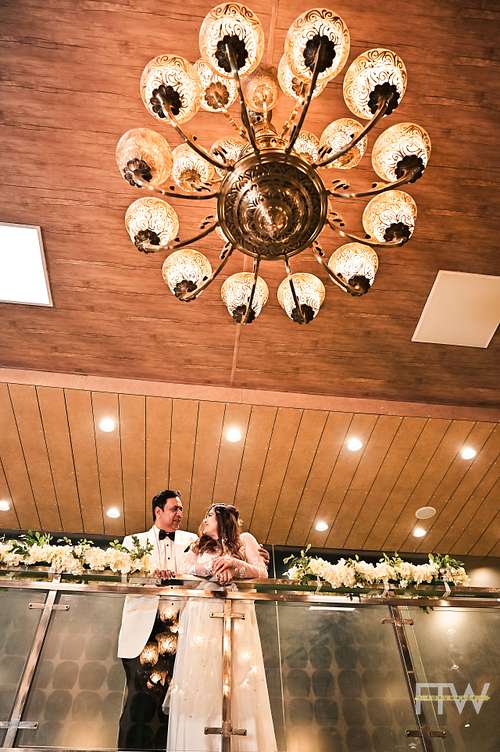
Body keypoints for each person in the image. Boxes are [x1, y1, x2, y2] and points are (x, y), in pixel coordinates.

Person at [165, 503, 277, 752]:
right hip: (201, 616)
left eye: (209, 516)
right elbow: (184, 570)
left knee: (239, 677)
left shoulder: (245, 540)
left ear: (223, 519)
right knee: (201, 680)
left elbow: (261, 572)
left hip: (237, 615)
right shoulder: (198, 545)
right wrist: (215, 568)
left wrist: (234, 564)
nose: (204, 520)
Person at [117, 489, 197, 750]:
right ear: (158, 511)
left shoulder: (193, 540)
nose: (180, 514)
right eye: (174, 508)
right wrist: (151, 575)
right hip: (144, 629)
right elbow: (125, 579)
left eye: (181, 509)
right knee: (138, 698)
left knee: (174, 700)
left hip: (180, 630)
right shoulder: (133, 541)